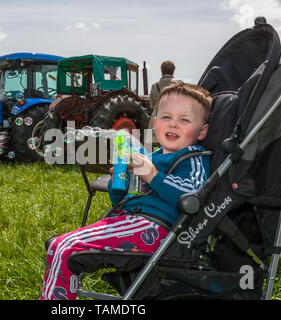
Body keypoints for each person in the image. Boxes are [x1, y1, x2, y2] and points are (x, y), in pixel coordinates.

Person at [40, 82, 212, 300]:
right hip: (127, 220)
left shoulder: (193, 157)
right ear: (156, 123)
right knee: (57, 247)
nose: (174, 125)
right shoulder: (151, 156)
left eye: (184, 119)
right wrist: (118, 180)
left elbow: (193, 197)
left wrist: (152, 176)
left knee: (66, 249)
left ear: (203, 130)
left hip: (154, 230)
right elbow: (119, 199)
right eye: (167, 117)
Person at [148, 60, 180, 145]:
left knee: (153, 147)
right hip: (173, 118)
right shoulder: (178, 83)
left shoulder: (154, 86)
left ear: (161, 71)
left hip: (156, 119)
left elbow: (151, 105)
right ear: (173, 71)